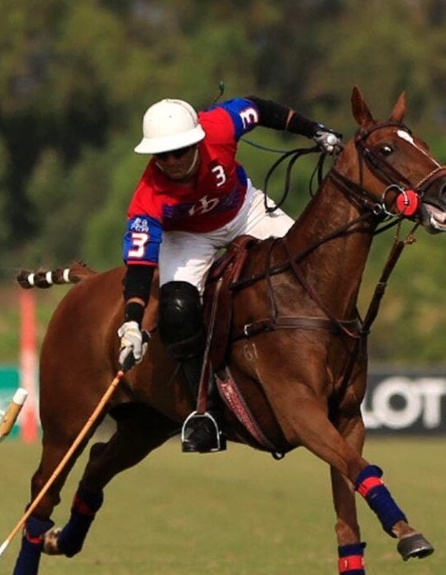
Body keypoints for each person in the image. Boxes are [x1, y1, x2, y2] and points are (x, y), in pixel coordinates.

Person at [116, 96, 342, 453]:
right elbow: (140, 266)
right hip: (188, 236)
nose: (172, 162)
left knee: (310, 266)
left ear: (197, 141)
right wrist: (131, 322)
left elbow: (260, 109)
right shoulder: (148, 197)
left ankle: (341, 363)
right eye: (162, 156)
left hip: (244, 211)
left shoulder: (220, 126)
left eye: (179, 152)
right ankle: (204, 412)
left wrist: (313, 130)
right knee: (177, 311)